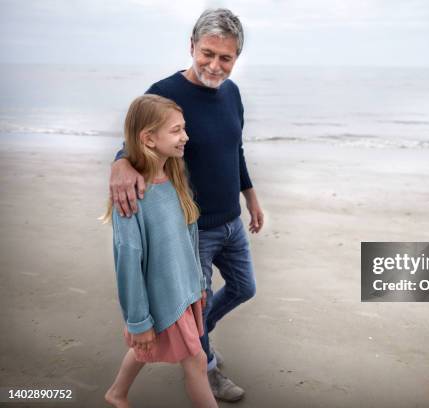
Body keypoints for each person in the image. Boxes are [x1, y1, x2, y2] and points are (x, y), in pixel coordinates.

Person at [109, 8, 263, 402]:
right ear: (191, 46)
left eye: (225, 57)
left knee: (244, 288)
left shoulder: (232, 93)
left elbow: (236, 150)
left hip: (231, 220)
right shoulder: (165, 93)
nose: (214, 64)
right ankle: (204, 364)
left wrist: (251, 196)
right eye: (207, 53)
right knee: (197, 299)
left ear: (236, 57)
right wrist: (120, 163)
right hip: (193, 227)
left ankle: (190, 335)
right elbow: (137, 139)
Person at [103, 95, 218, 408]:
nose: (186, 137)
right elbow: (127, 263)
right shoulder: (132, 200)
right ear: (148, 139)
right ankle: (117, 393)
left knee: (147, 350)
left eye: (184, 129)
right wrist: (138, 322)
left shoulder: (176, 179)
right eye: (177, 130)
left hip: (185, 290)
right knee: (196, 360)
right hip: (162, 295)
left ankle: (116, 393)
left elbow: (189, 237)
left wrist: (198, 283)